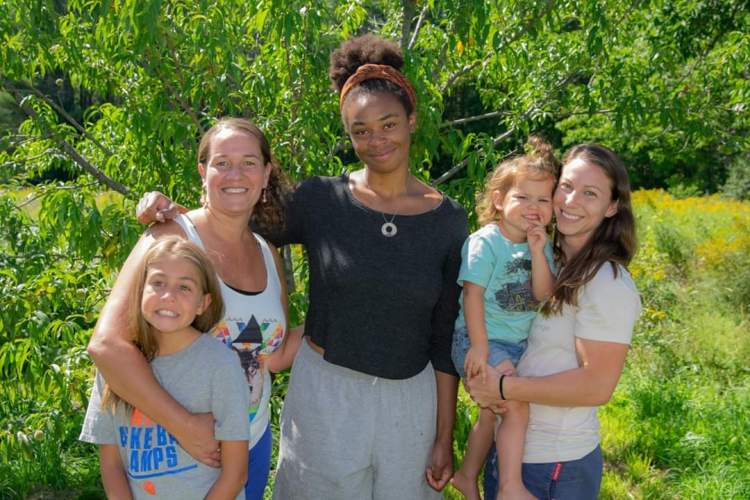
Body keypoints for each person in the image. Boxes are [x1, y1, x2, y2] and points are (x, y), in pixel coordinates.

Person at [137, 34, 468, 499]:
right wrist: (166, 211)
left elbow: (443, 336)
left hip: (410, 404)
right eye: (360, 130)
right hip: (324, 397)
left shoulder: (449, 220)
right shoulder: (321, 201)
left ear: (412, 120)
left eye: (389, 124)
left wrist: (443, 434)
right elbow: (233, 209)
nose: (376, 140)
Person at [87, 118, 302, 500]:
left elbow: (274, 355)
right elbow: (106, 346)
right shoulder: (170, 234)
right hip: (176, 449)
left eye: (249, 163)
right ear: (203, 172)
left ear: (266, 174)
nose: (235, 174)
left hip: (249, 444)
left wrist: (344, 306)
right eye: (222, 162)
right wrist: (185, 426)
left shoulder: (267, 252)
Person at [467, 144, 642, 500]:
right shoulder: (552, 264)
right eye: (567, 186)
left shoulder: (606, 281)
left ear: (612, 208)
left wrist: (502, 389)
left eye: (590, 193)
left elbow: (597, 386)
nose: (571, 201)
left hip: (554, 466)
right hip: (515, 452)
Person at [80, 236, 250, 499]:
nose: (168, 297)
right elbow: (111, 464)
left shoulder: (219, 364)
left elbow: (236, 474)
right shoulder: (115, 366)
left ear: (203, 304)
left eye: (184, 288)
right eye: (158, 283)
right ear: (139, 292)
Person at [450, 140, 557, 500]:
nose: (534, 208)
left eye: (544, 201)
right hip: (479, 340)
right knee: (515, 406)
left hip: (515, 344)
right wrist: (479, 347)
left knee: (491, 413)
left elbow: (543, 293)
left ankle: (466, 476)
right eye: (523, 198)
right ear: (499, 200)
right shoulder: (486, 241)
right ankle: (511, 486)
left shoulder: (541, 246)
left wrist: (539, 251)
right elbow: (472, 294)